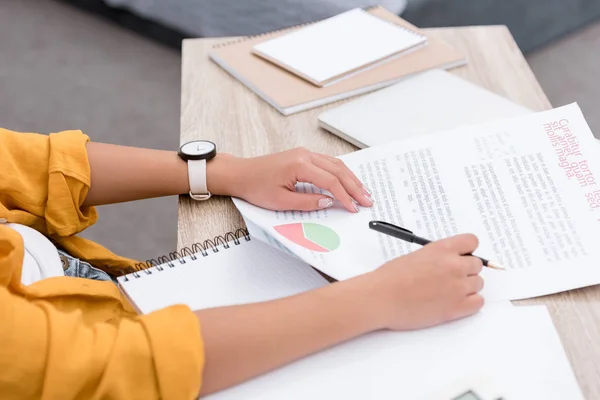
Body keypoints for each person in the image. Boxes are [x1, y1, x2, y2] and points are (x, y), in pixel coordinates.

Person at [0, 127, 484, 399]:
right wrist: (381, 298)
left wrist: (223, 170)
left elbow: (25, 163)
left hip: (100, 298)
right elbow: (114, 363)